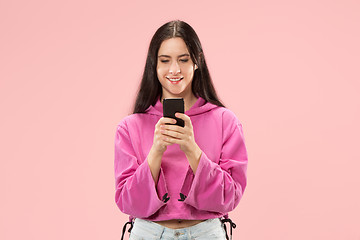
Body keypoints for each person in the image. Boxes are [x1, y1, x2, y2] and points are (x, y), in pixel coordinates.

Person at [114, 20, 248, 240]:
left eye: (183, 60)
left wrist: (192, 150)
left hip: (207, 233)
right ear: (154, 65)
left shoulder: (225, 121)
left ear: (197, 61)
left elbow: (231, 196)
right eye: (165, 60)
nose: (174, 70)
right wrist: (156, 151)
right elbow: (127, 202)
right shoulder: (130, 127)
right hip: (148, 233)